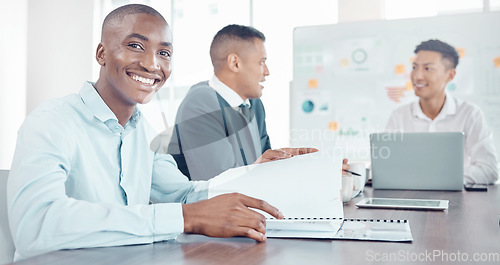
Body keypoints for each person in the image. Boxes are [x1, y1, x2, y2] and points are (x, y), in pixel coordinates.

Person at [7, 5, 284, 261]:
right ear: (101, 54)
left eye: (164, 53)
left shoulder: (141, 132)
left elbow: (184, 195)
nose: (152, 65)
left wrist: (254, 177)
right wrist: (183, 218)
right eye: (136, 46)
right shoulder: (52, 121)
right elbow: (35, 225)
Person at [167, 24, 317, 180]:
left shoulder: (254, 104)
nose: (267, 72)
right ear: (235, 63)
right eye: (261, 62)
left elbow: (265, 165)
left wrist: (307, 167)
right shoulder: (199, 104)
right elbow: (220, 184)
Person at [386, 39, 498, 185]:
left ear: (450, 75)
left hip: (458, 201)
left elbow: (489, 170)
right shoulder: (399, 116)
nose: (417, 76)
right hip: (410, 198)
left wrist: (442, 178)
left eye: (427, 68)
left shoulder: (470, 114)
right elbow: (387, 168)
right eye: (414, 67)